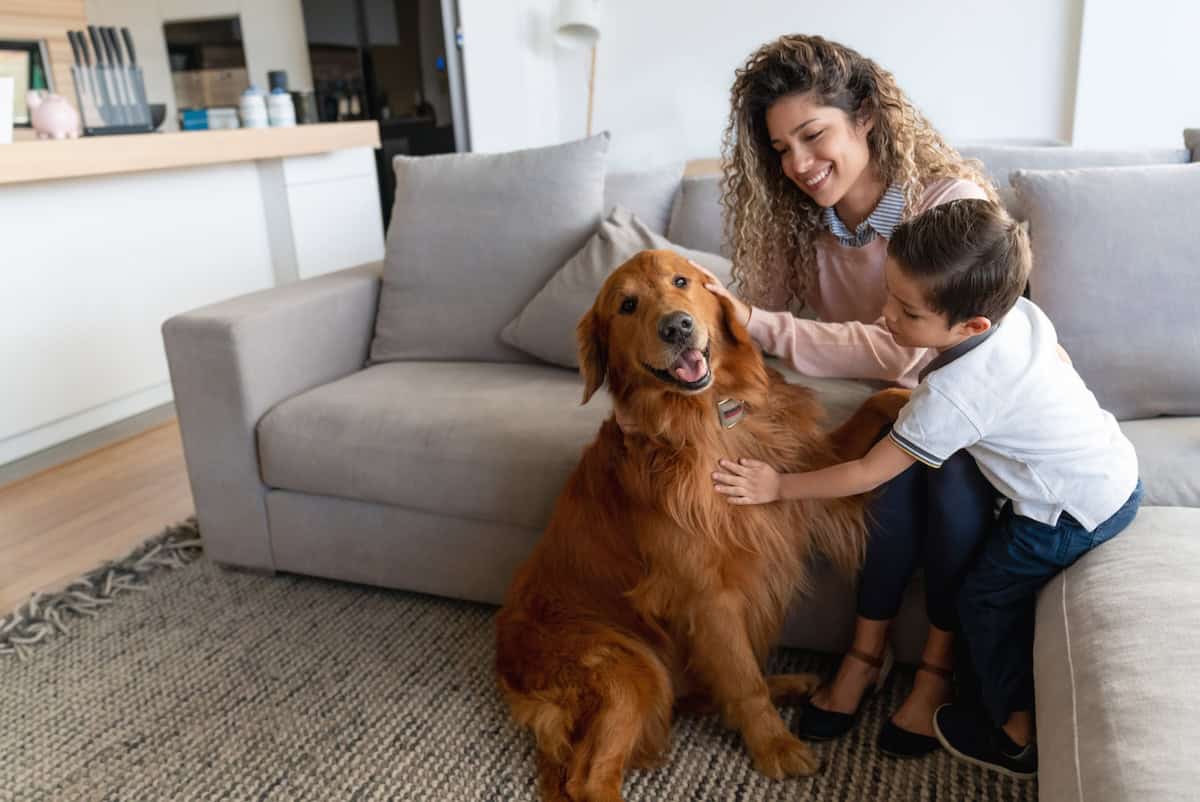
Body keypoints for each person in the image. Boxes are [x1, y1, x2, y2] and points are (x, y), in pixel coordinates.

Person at [712, 198, 1141, 779]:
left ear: (972, 328)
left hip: (1068, 510)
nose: (887, 316)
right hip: (1113, 468)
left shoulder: (954, 396)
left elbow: (866, 473)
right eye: (889, 294)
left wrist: (777, 485)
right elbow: (1056, 356)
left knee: (985, 599)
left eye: (907, 312)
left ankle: (1015, 731)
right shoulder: (1022, 316)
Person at [658, 34, 1003, 756]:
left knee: (942, 478)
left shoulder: (948, 206)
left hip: (971, 409)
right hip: (893, 411)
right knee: (889, 470)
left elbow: (909, 346)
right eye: (781, 149)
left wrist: (761, 323)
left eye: (813, 136)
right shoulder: (800, 224)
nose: (798, 165)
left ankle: (929, 673)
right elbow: (759, 345)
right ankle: (866, 657)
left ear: (868, 117)